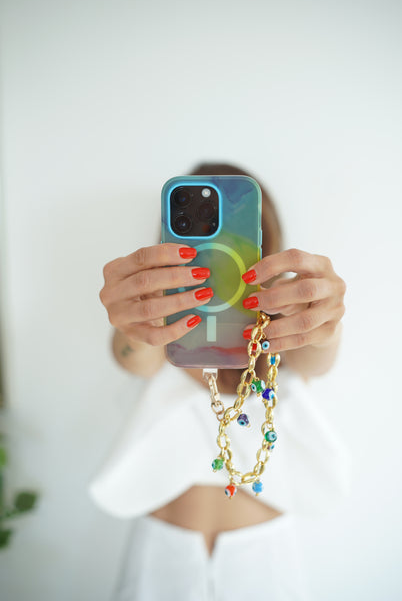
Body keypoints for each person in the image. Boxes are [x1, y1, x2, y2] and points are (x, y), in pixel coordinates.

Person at [91, 163, 349, 600]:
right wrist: (133, 325)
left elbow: (318, 355)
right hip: (162, 559)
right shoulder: (160, 327)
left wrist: (327, 319)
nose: (219, 245)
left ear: (264, 243)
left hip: (263, 563)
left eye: (237, 230)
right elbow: (131, 356)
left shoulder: (282, 330)